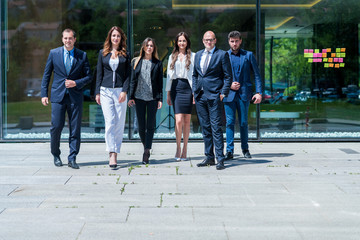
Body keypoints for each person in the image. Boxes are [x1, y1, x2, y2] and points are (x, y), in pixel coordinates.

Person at [41, 28, 92, 169]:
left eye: (70, 38)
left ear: (75, 39)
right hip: (58, 95)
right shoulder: (54, 53)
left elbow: (89, 77)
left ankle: (72, 157)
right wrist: (44, 94)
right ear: (62, 39)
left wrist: (76, 83)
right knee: (56, 126)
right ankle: (56, 154)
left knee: (75, 128)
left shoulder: (82, 55)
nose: (68, 41)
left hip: (75, 96)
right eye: (65, 38)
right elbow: (46, 75)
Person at [192, 31, 232, 170]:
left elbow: (228, 76)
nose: (209, 42)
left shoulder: (222, 54)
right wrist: (195, 91)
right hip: (200, 96)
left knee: (216, 127)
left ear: (215, 40)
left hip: (215, 95)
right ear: (203, 41)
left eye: (211, 40)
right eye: (206, 40)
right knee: (205, 128)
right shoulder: (197, 55)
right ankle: (209, 157)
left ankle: (220, 159)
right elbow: (195, 75)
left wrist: (223, 92)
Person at [223, 31, 262, 160]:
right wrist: (228, 86)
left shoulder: (249, 55)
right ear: (229, 42)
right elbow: (218, 77)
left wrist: (259, 92)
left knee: (244, 123)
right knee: (229, 123)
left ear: (240, 41)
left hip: (244, 94)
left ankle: (245, 149)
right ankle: (229, 151)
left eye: (237, 41)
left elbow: (256, 74)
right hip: (229, 95)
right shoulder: (224, 56)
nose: (234, 44)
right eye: (232, 41)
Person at [95, 26, 130, 168]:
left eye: (118, 36)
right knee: (110, 122)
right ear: (110, 37)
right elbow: (99, 73)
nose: (116, 38)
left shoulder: (125, 54)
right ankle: (111, 154)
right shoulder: (102, 53)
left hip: (120, 91)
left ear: (121, 38)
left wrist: (125, 91)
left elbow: (128, 75)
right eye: (113, 35)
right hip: (105, 91)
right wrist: (97, 92)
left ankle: (116, 151)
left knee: (119, 123)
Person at [128, 37, 163, 164]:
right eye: (147, 45)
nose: (149, 47)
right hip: (139, 97)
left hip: (153, 98)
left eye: (151, 46)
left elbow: (159, 83)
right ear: (143, 47)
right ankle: (146, 147)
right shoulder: (135, 62)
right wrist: (130, 97)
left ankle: (147, 151)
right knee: (141, 126)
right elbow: (132, 80)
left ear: (154, 48)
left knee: (150, 125)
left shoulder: (158, 63)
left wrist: (160, 99)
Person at [166, 32, 195, 161]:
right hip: (176, 88)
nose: (181, 43)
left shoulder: (193, 56)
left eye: (184, 41)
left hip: (188, 88)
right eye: (179, 41)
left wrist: (194, 93)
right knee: (178, 120)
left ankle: (185, 150)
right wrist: (168, 94)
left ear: (187, 42)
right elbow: (168, 76)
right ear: (176, 43)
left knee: (187, 121)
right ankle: (178, 148)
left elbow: (195, 76)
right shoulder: (172, 56)